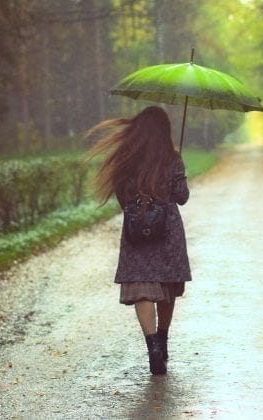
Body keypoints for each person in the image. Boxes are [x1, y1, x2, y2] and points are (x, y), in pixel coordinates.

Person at [86, 106, 191, 375]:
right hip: (168, 232)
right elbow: (181, 196)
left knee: (143, 288)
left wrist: (139, 209)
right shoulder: (172, 158)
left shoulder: (127, 159)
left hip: (136, 231)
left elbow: (121, 196)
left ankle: (152, 347)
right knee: (166, 286)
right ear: (164, 131)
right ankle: (164, 340)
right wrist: (178, 171)